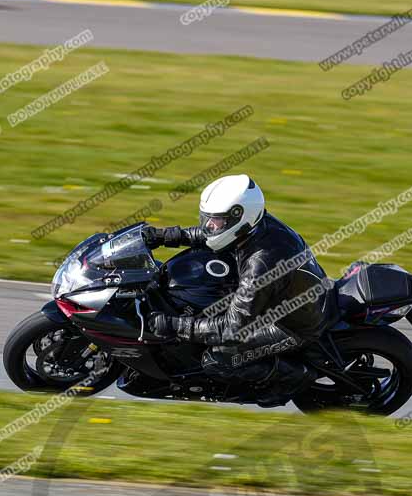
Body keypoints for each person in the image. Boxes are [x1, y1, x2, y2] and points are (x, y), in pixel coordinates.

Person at [142, 174, 334, 407]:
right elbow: (212, 233)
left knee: (217, 359)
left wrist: (176, 326)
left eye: (216, 220)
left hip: (292, 325)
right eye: (208, 218)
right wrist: (169, 236)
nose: (209, 225)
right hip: (286, 297)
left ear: (240, 218)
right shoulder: (253, 227)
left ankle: (293, 377)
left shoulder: (260, 263)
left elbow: (232, 329)